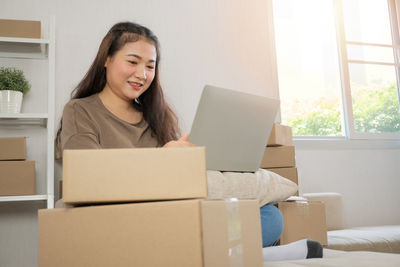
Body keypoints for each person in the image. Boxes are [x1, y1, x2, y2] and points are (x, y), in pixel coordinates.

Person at [56, 21, 322, 261]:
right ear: (107, 59)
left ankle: (211, 255)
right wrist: (162, 159)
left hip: (171, 213)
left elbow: (174, 184)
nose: (142, 74)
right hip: (126, 217)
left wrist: (187, 160)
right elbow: (87, 175)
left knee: (269, 216)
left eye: (150, 66)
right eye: (133, 61)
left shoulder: (155, 117)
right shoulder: (80, 111)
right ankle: (255, 257)